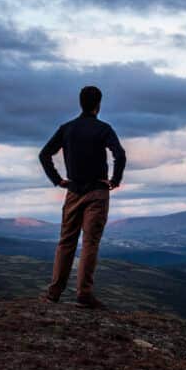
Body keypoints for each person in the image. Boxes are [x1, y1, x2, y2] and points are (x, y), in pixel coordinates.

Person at [38, 86, 126, 308]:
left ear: (80, 103)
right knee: (90, 243)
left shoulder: (67, 129)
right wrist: (115, 180)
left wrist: (58, 180)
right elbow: (120, 154)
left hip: (73, 191)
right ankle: (84, 294)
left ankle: (54, 293)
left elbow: (44, 154)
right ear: (98, 104)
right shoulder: (103, 129)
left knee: (66, 242)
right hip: (97, 192)